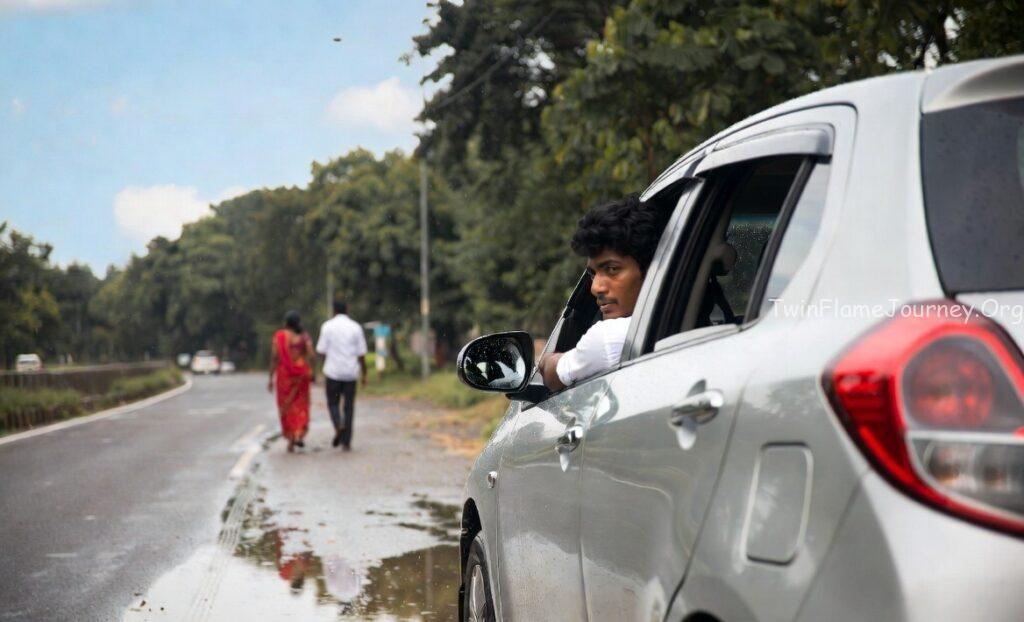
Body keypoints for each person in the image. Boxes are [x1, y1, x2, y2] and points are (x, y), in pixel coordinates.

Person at [538, 195, 669, 391]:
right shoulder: (687, 319)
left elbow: (551, 373)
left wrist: (545, 360)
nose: (595, 288)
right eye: (592, 274)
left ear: (651, 270)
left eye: (612, 269)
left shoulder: (612, 338)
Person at [316, 300, 368, 450]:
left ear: (334, 310)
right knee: (349, 407)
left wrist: (323, 366)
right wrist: (364, 374)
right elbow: (361, 354)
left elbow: (321, 351)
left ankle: (338, 424)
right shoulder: (355, 327)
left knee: (333, 403)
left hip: (332, 372)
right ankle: (347, 441)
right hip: (351, 373)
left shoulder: (327, 326)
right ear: (347, 309)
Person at [269, 311, 315, 453]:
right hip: (301, 373)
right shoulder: (304, 337)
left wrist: (270, 377)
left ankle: (291, 439)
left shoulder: (279, 337)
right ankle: (299, 434)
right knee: (301, 404)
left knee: (287, 406)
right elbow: (311, 354)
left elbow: (275, 357)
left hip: (285, 376)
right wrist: (312, 370)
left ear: (286, 322)